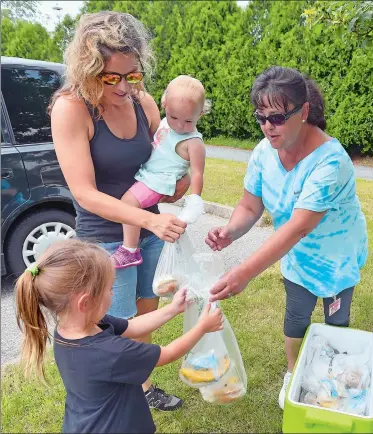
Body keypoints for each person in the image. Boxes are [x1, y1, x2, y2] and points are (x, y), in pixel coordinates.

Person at [205, 66, 368, 409]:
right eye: (260, 117)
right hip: (295, 254)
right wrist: (230, 231)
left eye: (277, 117)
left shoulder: (331, 161)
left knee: (336, 319)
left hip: (336, 256)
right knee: (296, 315)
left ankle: (334, 375)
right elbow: (250, 206)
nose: (267, 126)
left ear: (304, 112)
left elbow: (299, 226)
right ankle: (294, 374)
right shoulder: (264, 151)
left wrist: (243, 273)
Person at [50, 11, 188, 410]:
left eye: (134, 75)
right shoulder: (71, 108)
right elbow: (85, 193)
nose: (125, 87)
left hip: (149, 233)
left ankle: (142, 387)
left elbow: (161, 165)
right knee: (116, 322)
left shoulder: (142, 102)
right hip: (106, 242)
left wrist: (179, 181)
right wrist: (150, 219)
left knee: (147, 307)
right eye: (112, 77)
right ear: (88, 69)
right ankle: (121, 395)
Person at [15, 239, 223, 434]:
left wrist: (173, 309)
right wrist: (202, 327)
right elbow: (166, 355)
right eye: (109, 288)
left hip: (83, 422)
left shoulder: (72, 328)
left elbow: (132, 326)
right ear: (85, 302)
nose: (113, 293)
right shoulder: (110, 351)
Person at [112, 75, 209, 269]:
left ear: (201, 114)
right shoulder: (164, 123)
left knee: (128, 204)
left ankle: (129, 250)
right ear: (164, 104)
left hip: (160, 182)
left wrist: (195, 199)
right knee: (131, 203)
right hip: (149, 175)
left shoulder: (193, 142)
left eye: (189, 121)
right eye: (174, 117)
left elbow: (198, 173)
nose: (180, 125)